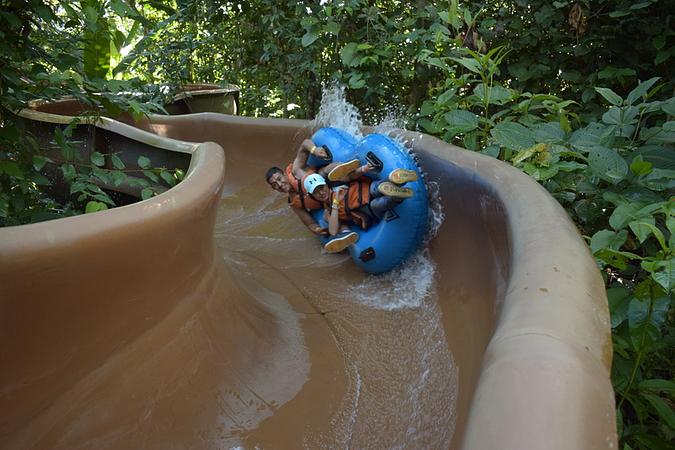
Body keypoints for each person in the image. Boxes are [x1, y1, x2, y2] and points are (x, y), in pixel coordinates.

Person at [265, 138, 365, 236]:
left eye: (279, 179)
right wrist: (316, 229)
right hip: (330, 201)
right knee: (328, 216)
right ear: (274, 189)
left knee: (324, 172)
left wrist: (314, 150)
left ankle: (346, 169)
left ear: (285, 175)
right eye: (275, 185)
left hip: (328, 181)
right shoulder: (294, 203)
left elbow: (305, 143)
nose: (279, 185)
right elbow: (309, 223)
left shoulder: (296, 171)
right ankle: (345, 233)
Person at [302, 169, 417, 253]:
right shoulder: (329, 210)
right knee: (378, 204)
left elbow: (352, 175)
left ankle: (398, 179)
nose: (321, 193)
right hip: (369, 210)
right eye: (316, 192)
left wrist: (364, 169)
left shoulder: (338, 183)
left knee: (376, 188)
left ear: (326, 185)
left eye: (321, 188)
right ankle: (399, 195)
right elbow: (333, 231)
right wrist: (336, 204)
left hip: (366, 190)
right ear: (313, 196)